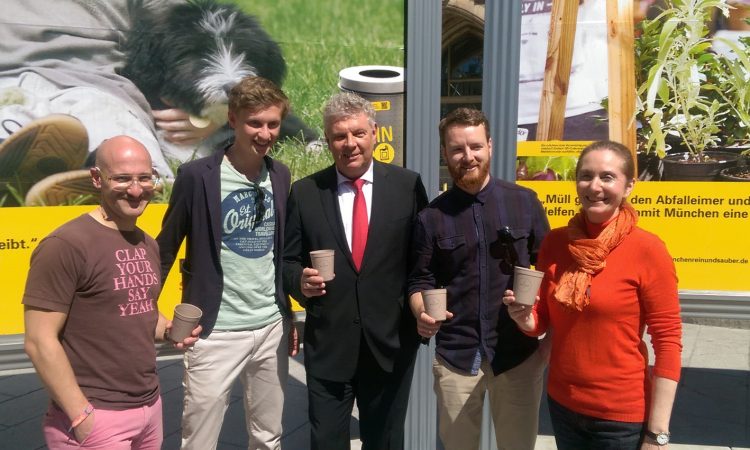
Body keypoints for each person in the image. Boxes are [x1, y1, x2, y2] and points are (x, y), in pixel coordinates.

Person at [22, 135, 200, 449]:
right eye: (122, 179)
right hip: (96, 415)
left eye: (145, 178)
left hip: (149, 408)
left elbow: (140, 312)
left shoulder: (147, 243)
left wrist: (170, 330)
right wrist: (81, 416)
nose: (136, 189)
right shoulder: (66, 245)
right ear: (97, 178)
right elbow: (39, 341)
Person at [503, 140, 682, 450]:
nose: (594, 186)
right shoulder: (556, 243)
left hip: (621, 417)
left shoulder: (649, 250)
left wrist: (657, 433)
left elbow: (668, 341)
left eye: (607, 177)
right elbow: (543, 321)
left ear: (629, 186)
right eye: (586, 176)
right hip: (563, 404)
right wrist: (523, 318)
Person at [157, 75, 298, 450]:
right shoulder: (197, 177)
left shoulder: (281, 175)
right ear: (233, 120)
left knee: (269, 437)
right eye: (255, 122)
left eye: (272, 123)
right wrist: (147, 311)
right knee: (200, 439)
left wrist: (290, 314)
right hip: (214, 330)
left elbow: (281, 253)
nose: (265, 133)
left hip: (271, 328)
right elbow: (166, 248)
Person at [283, 92, 428, 450]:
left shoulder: (407, 186)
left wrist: (424, 309)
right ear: (328, 140)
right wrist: (299, 282)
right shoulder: (305, 193)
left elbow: (421, 261)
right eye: (339, 136)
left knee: (385, 441)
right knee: (327, 441)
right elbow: (286, 261)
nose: (350, 144)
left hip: (389, 343)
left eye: (358, 133)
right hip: (330, 345)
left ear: (374, 132)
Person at [408, 107, 550, 450]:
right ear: (445, 154)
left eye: (475, 146)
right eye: (457, 149)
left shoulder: (524, 202)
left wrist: (541, 328)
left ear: (490, 146)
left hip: (516, 354)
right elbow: (419, 281)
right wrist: (421, 313)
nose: (467, 156)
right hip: (457, 356)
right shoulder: (431, 217)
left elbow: (550, 269)